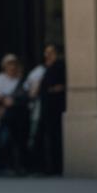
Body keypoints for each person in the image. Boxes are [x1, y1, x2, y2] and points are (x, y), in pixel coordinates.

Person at [0, 54, 28, 175]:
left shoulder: (21, 80)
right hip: (4, 114)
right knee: (4, 139)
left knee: (18, 141)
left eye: (14, 65)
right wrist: (5, 100)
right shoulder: (0, 78)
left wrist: (11, 100)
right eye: (9, 65)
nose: (12, 67)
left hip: (18, 114)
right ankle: (1, 166)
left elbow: (24, 96)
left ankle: (18, 166)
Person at [37, 44, 67, 176]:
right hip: (48, 107)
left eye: (50, 52)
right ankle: (49, 166)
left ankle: (54, 167)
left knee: (54, 137)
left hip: (55, 107)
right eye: (46, 52)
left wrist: (54, 89)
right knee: (48, 136)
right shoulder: (47, 68)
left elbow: (59, 86)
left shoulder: (59, 66)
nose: (47, 55)